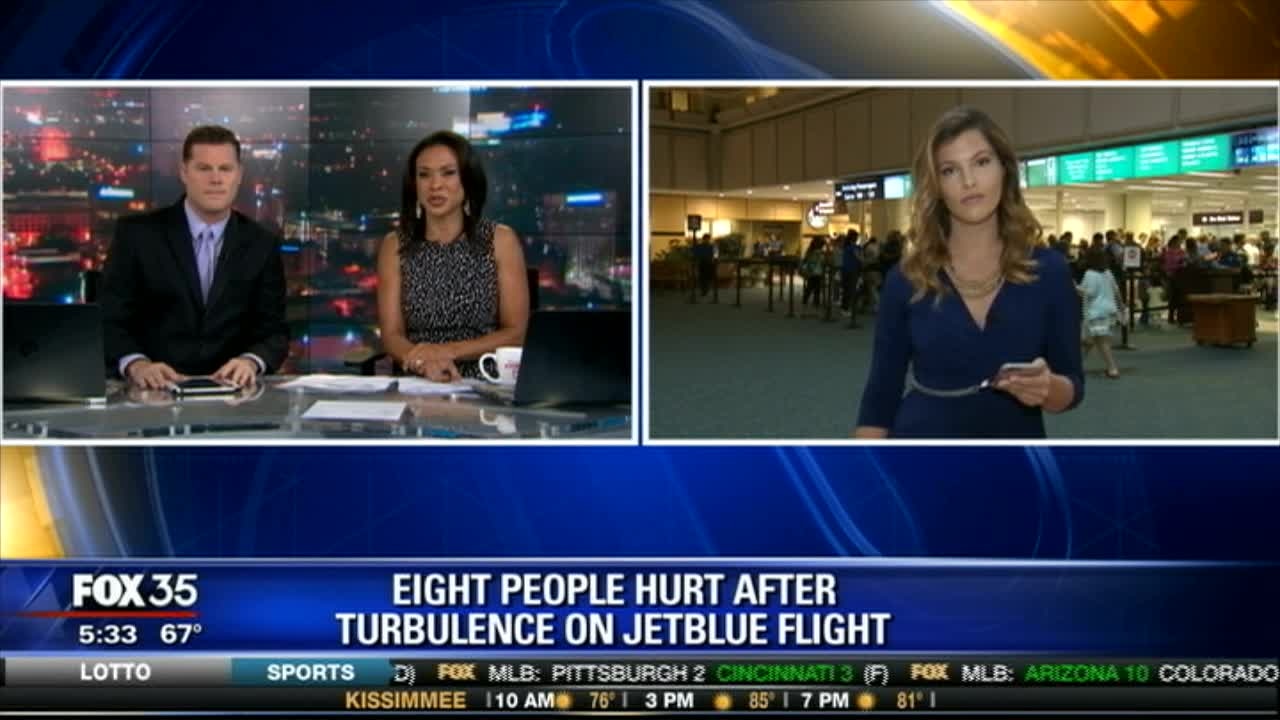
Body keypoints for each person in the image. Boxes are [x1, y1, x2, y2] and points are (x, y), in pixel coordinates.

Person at [854, 106, 1083, 439]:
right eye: (950, 170)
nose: (969, 181)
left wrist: (1047, 388)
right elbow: (880, 395)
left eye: (981, 162)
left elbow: (1073, 386)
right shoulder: (907, 279)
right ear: (936, 186)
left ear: (1005, 169)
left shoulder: (1049, 271)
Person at [101, 125, 288, 389]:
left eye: (225, 169)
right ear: (184, 172)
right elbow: (108, 320)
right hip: (153, 393)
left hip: (232, 397)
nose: (216, 179)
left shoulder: (262, 244)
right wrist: (137, 364)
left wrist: (250, 361)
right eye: (204, 168)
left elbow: (274, 331)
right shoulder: (137, 235)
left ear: (238, 175)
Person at [377, 130, 529, 382]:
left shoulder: (500, 240)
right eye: (424, 175)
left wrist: (445, 352)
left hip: (484, 381)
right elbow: (392, 336)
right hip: (419, 380)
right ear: (414, 185)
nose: (435, 185)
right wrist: (424, 363)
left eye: (448, 173)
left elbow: (516, 333)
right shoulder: (394, 246)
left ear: (468, 180)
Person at [1079, 248, 1122, 379]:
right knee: (1089, 341)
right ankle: (1075, 366)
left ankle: (1112, 368)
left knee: (1099, 341)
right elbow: (1116, 290)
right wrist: (1121, 305)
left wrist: (1074, 287)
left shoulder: (1089, 274)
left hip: (1095, 312)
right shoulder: (1108, 273)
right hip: (1108, 310)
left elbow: (1089, 293)